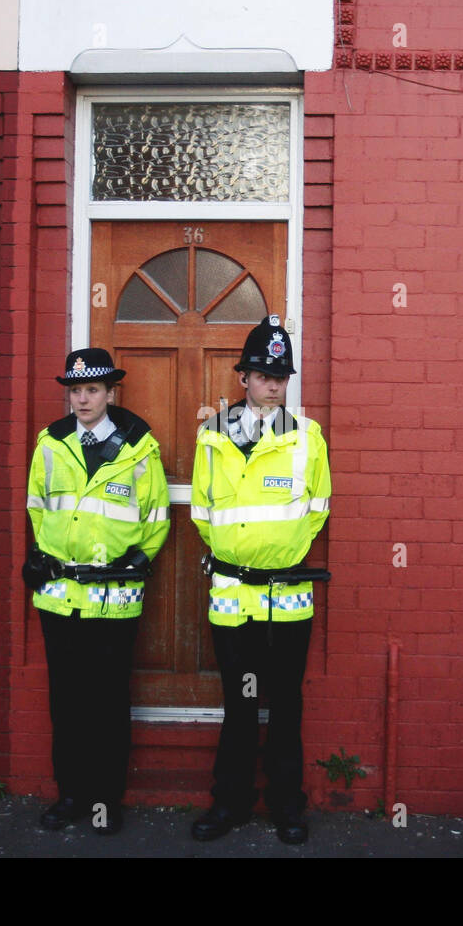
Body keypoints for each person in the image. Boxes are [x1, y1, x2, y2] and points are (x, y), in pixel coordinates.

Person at [189, 315, 331, 845]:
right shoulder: (212, 436)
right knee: (239, 705)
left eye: (281, 376)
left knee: (286, 704)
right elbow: (202, 512)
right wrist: (240, 551)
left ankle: (287, 806)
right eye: (263, 374)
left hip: (288, 596)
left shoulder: (307, 438)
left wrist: (280, 549)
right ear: (243, 378)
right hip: (231, 595)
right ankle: (229, 804)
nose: (273, 384)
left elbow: (317, 509)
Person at [22, 348, 170, 835]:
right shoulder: (51, 442)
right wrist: (44, 553)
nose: (82, 399)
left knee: (107, 700)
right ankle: (70, 795)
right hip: (60, 594)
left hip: (114, 596)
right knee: (67, 699)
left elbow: (155, 515)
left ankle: (106, 800)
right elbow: (38, 506)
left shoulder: (138, 445)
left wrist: (141, 556)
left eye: (91, 390)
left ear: (110, 392)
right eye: (75, 390)